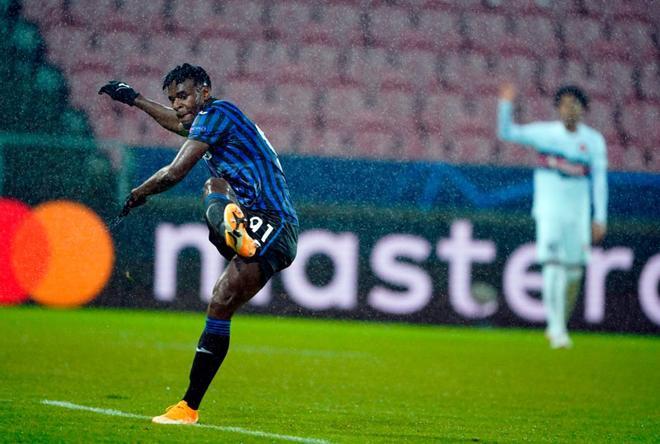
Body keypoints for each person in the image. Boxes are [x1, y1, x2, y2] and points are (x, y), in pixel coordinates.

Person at [99, 64, 299, 423]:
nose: (177, 104)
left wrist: (139, 192)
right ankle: (188, 408)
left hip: (273, 220)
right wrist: (136, 99)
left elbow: (175, 171)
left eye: (184, 95)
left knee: (213, 187)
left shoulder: (217, 112)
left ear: (204, 91)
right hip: (259, 220)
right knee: (220, 302)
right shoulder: (212, 119)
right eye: (172, 98)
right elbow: (178, 125)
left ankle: (234, 235)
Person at [497, 83, 608, 349]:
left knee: (573, 275)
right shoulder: (545, 134)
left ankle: (560, 323)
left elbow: (600, 181)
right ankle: (556, 329)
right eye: (566, 103)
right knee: (553, 266)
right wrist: (505, 105)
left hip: (578, 215)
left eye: (576, 104)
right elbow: (507, 132)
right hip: (549, 212)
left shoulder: (593, 141)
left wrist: (600, 217)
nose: (571, 108)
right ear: (558, 108)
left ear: (584, 109)